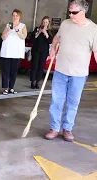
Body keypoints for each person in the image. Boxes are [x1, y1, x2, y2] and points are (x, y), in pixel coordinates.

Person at [45, 0, 97, 142]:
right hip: (60, 70)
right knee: (56, 101)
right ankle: (54, 128)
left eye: (74, 12)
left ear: (83, 12)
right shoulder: (65, 24)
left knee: (73, 102)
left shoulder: (93, 29)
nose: (70, 15)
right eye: (69, 11)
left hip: (79, 74)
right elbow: (57, 37)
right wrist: (53, 49)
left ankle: (67, 128)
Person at [0, 9, 27, 95]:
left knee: (14, 71)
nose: (15, 17)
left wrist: (17, 30)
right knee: (6, 71)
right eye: (14, 15)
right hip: (7, 52)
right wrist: (8, 30)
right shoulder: (8, 25)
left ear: (19, 17)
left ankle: (11, 87)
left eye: (17, 16)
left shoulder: (23, 26)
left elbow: (23, 37)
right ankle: (5, 88)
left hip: (16, 53)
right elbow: (3, 37)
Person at [30, 16, 53, 89]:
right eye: (43, 22)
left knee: (41, 67)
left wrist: (45, 33)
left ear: (48, 23)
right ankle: (32, 81)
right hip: (36, 51)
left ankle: (37, 82)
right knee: (34, 66)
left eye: (46, 22)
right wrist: (39, 32)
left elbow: (50, 41)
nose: (45, 23)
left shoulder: (50, 31)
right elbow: (32, 39)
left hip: (44, 52)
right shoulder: (37, 29)